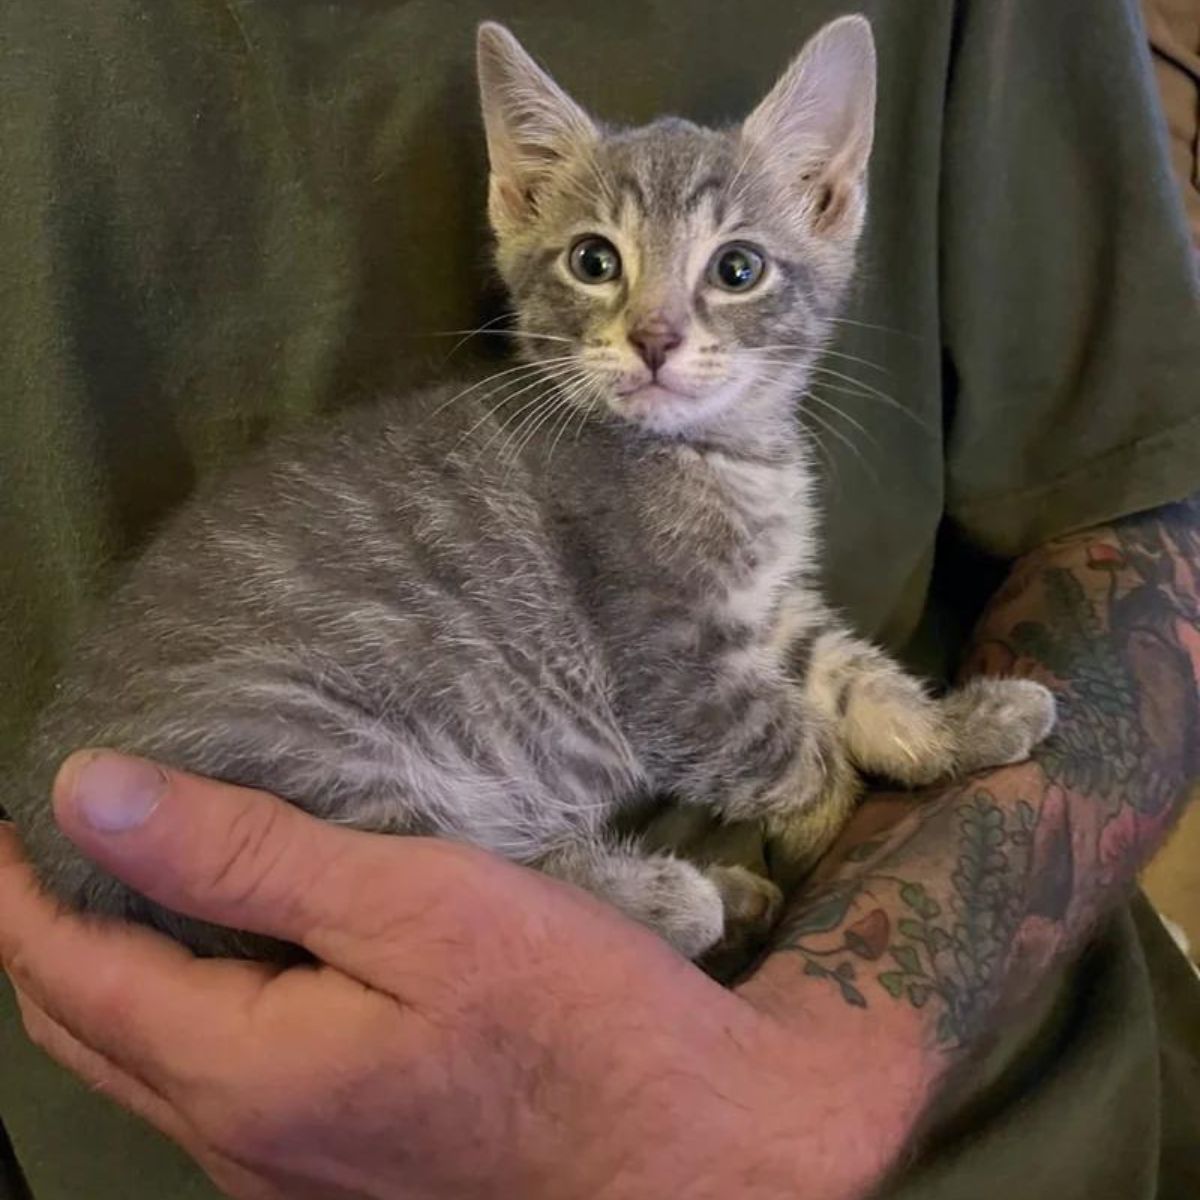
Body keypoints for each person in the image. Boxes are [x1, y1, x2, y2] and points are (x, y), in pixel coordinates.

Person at [1, 1, 1198, 1197]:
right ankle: (599, 893)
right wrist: (816, 786)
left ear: (829, 202)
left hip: (979, 1128)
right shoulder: (596, 471)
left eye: (734, 270)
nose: (659, 333)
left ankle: (605, 895)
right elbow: (694, 695)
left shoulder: (723, 469)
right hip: (223, 922)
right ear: (519, 199)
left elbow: (779, 635)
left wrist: (919, 735)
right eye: (598, 262)